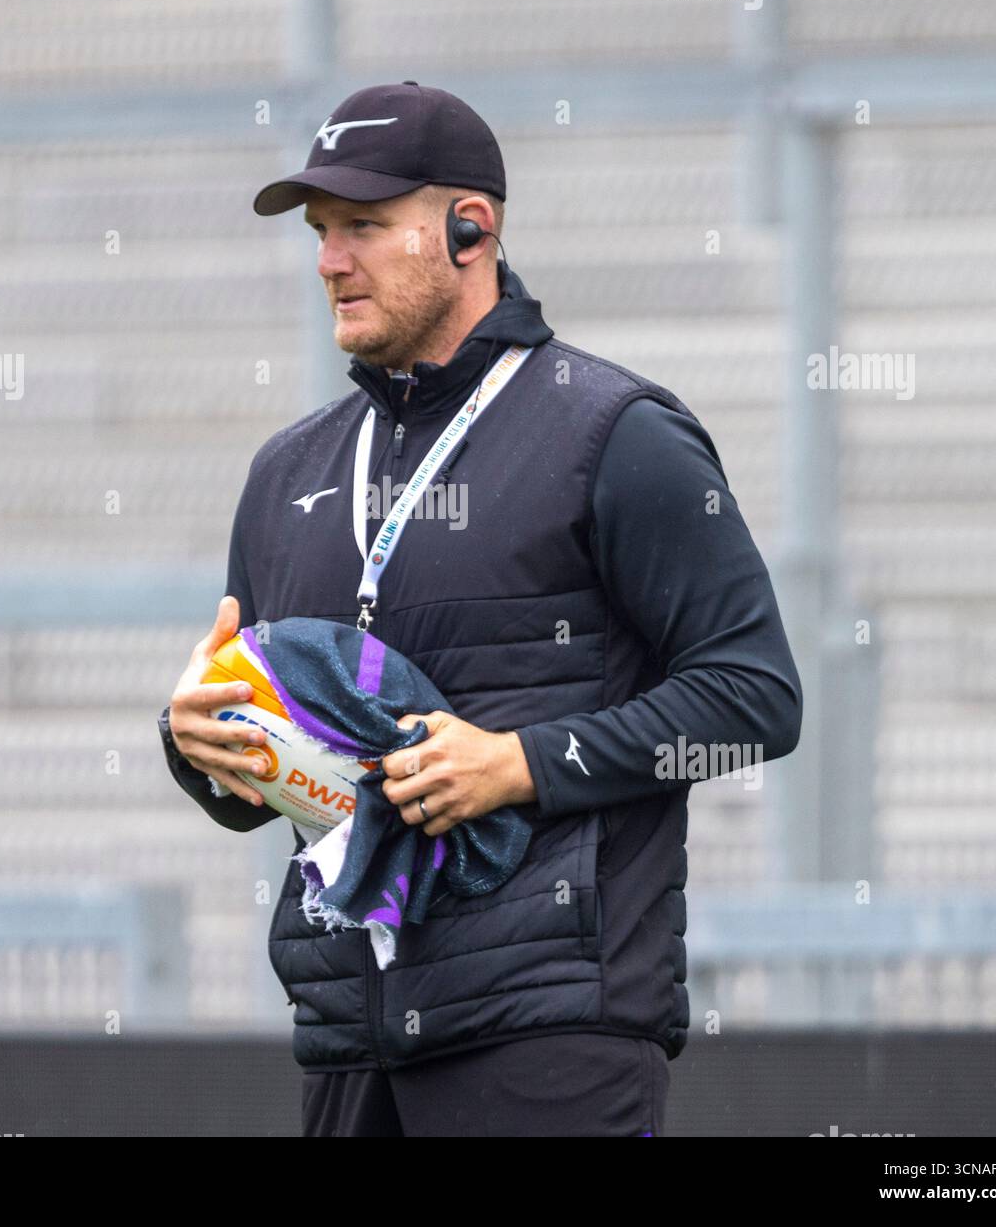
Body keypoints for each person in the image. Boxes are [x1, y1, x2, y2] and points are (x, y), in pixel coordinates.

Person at [159, 81, 802, 1136]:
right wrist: (200, 745)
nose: (330, 260)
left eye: (364, 226)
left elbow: (756, 698)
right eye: (321, 232)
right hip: (347, 1041)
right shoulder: (288, 472)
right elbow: (261, 783)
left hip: (548, 1035)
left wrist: (518, 764)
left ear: (470, 228)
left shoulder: (616, 433)